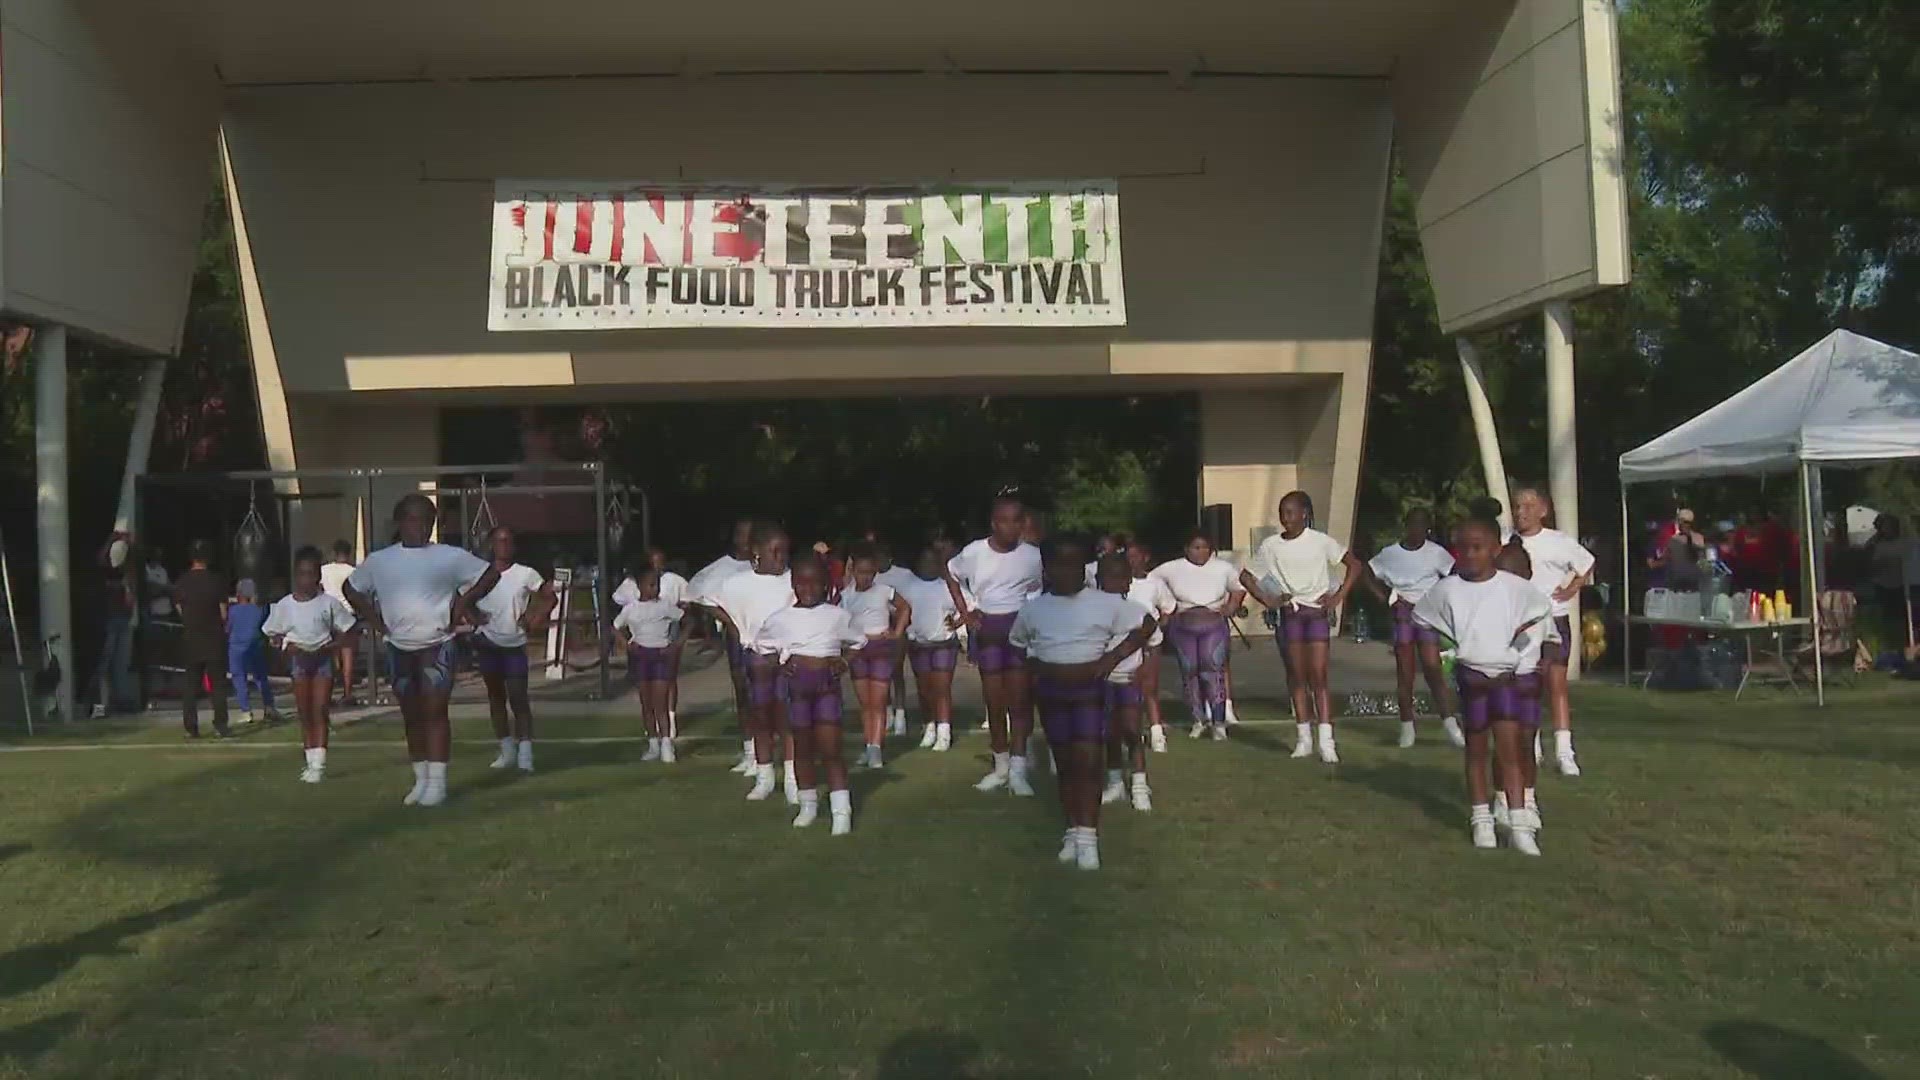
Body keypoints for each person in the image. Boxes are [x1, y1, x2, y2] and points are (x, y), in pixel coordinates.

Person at [342, 494, 500, 807]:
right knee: (411, 715)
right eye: (414, 519)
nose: (421, 526)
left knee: (435, 712)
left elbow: (490, 574)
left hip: (437, 645)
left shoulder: (449, 556)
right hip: (399, 647)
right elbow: (351, 589)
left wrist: (463, 604)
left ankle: (438, 783)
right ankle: (421, 780)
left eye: (428, 520)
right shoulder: (380, 560)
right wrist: (375, 621)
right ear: (400, 523)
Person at [1010, 539, 1155, 871]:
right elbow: (1017, 644)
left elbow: (1146, 624)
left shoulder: (1104, 603)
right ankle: (1073, 831)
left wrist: (1112, 657)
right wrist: (1037, 667)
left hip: (1089, 691)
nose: (1069, 572)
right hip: (1052, 692)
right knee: (1065, 765)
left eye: (1075, 565)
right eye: (1061, 565)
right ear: (1047, 571)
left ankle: (1089, 839)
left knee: (1089, 762)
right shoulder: (1034, 609)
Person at [1412, 518, 1552, 856]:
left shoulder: (1512, 587)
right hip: (1471, 677)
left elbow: (1537, 615)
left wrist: (1517, 656)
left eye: (1478, 548)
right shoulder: (1448, 589)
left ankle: (1518, 822)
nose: (1470, 556)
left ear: (1495, 550)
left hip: (1504, 677)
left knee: (1509, 750)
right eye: (1463, 549)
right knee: (1475, 750)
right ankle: (1480, 819)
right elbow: (1423, 616)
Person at [1239, 491, 1364, 763]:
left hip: (1316, 614)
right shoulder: (1271, 545)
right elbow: (1246, 576)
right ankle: (1303, 738)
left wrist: (1337, 598)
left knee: (1318, 675)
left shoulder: (1320, 541)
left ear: (1305, 513)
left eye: (1291, 512)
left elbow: (1354, 565)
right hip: (1291, 614)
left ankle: (1327, 740)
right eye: (1283, 513)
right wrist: (1269, 600)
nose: (1286, 518)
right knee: (1296, 674)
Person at [757, 556, 868, 834]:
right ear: (793, 584)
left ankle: (841, 810)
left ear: (826, 585)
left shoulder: (837, 615)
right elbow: (763, 648)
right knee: (803, 748)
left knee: (831, 749)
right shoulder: (779, 619)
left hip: (826, 689)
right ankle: (808, 804)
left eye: (815, 582)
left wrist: (843, 662)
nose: (807, 588)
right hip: (797, 690)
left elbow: (859, 642)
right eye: (801, 582)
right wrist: (780, 665)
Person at [945, 495, 1045, 795]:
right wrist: (967, 611)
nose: (1011, 527)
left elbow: (1036, 589)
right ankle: (1000, 766)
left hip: (1018, 629)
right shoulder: (974, 552)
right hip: (987, 629)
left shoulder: (1032, 555)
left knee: (1020, 700)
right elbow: (951, 574)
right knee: (994, 700)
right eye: (1004, 520)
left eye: (1017, 520)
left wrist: (1027, 615)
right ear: (994, 523)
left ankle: (1018, 768)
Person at [1509, 487, 1596, 777]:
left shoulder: (1558, 542)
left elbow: (1587, 564)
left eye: (1528, 506)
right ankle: (1531, 744)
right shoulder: (1508, 543)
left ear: (1542, 510)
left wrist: (1572, 587)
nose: (1522, 512)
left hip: (1554, 620)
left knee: (1556, 683)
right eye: (1518, 506)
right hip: (1522, 624)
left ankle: (1564, 750)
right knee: (1526, 685)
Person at [1363, 507, 1462, 748]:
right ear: (1405, 525)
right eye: (1413, 525)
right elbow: (1366, 572)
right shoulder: (1390, 554)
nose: (1417, 531)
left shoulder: (1436, 553)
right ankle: (1407, 727)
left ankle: (1451, 725)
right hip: (1403, 614)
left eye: (1423, 527)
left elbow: (1455, 575)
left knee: (1432, 668)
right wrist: (1385, 597)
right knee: (1404, 673)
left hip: (1427, 615)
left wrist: (1440, 599)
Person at [713, 522, 797, 802]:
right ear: (757, 552)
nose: (781, 558)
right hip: (757, 659)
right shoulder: (737, 584)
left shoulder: (792, 580)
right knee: (760, 717)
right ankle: (764, 775)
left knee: (787, 720)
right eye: (775, 552)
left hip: (787, 660)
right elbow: (711, 602)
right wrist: (738, 628)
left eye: (785, 552)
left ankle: (792, 776)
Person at [263, 546, 360, 783]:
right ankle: (309, 760)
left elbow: (349, 629)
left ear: (318, 577)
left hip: (322, 660)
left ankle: (319, 764)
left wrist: (333, 646)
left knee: (319, 710)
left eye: (311, 574)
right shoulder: (285, 605)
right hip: (299, 660)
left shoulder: (328, 603)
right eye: (302, 574)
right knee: (305, 712)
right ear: (295, 575)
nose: (307, 579)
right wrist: (285, 644)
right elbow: (272, 635)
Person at [472, 526, 556, 774]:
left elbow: (549, 597)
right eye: (500, 541)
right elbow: (460, 599)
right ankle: (506, 749)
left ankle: (526, 752)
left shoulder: (525, 574)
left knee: (518, 698)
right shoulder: (479, 573)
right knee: (496, 698)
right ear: (491, 544)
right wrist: (474, 617)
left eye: (509, 541)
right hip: (487, 643)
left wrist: (537, 618)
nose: (504, 546)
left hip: (514, 644)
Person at [1149, 530, 1245, 741]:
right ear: (1186, 549)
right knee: (1189, 671)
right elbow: (1149, 582)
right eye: (1195, 547)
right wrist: (1165, 607)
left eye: (1204, 548)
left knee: (1212, 669)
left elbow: (1238, 588)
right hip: (1183, 626)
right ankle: (1198, 720)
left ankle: (1219, 723)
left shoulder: (1223, 568)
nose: (1200, 552)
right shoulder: (1171, 568)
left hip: (1213, 625)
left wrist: (1231, 606)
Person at [687, 518, 759, 774]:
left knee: (763, 694)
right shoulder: (721, 569)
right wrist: (731, 621)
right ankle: (750, 750)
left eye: (751, 535)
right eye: (742, 534)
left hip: (764, 638)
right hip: (738, 638)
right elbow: (698, 596)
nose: (746, 539)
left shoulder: (767, 566)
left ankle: (766, 752)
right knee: (743, 692)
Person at [1097, 553, 1159, 811]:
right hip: (1101, 681)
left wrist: (1147, 672)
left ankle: (1139, 785)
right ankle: (1114, 783)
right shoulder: (1091, 610)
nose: (1114, 581)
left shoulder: (1137, 612)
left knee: (1132, 731)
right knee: (1108, 733)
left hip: (1128, 680)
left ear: (1128, 581)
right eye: (1108, 576)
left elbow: (1155, 644)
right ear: (1098, 580)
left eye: (1120, 576)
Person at [840, 544, 911, 769]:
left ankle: (876, 749)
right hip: (857, 651)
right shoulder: (845, 595)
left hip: (880, 648)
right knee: (866, 704)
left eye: (870, 572)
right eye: (861, 572)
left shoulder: (884, 590)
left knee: (878, 702)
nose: (866, 577)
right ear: (854, 572)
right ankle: (868, 745)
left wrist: (896, 632)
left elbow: (904, 608)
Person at [614, 568, 686, 764]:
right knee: (646, 705)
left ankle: (666, 744)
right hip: (641, 656)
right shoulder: (631, 608)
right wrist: (626, 644)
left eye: (657, 585)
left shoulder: (665, 606)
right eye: (651, 585)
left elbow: (688, 620)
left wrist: (677, 643)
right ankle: (652, 744)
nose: (656, 589)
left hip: (661, 655)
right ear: (640, 587)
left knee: (660, 704)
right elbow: (614, 626)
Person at [900, 544, 962, 751]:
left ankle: (944, 731)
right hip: (919, 645)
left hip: (943, 644)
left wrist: (958, 623)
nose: (928, 565)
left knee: (941, 688)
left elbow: (969, 606)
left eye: (932, 561)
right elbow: (898, 611)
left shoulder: (946, 586)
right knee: (924, 689)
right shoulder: (908, 587)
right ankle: (929, 727)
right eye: (924, 561)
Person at [171, 540, 232, 739]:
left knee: (190, 685)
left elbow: (179, 608)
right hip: (213, 636)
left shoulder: (183, 581)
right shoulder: (216, 580)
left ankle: (191, 727)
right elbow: (223, 613)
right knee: (218, 685)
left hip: (191, 637)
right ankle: (220, 725)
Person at [1122, 541, 1177, 751]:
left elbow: (1168, 608)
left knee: (1149, 687)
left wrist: (1159, 625)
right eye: (1128, 556)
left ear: (1145, 557)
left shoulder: (1155, 583)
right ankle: (1130, 734)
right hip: (1125, 641)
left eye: (1136, 556)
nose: (1132, 560)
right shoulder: (1119, 581)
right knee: (1127, 688)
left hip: (1150, 641)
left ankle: (1156, 733)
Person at [88, 533, 140, 718]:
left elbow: (132, 565)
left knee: (121, 664)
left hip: (123, 618)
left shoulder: (128, 572)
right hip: (110, 619)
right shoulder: (106, 573)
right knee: (104, 663)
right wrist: (111, 539)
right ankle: (97, 703)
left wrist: (130, 546)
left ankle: (121, 700)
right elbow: (101, 560)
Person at [873, 543, 921, 735]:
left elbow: (912, 599)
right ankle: (888, 713)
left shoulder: (904, 574)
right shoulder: (872, 576)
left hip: (899, 622)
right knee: (881, 672)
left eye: (881, 558)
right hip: (880, 623)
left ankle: (900, 714)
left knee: (897, 670)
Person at [226, 578, 275, 726]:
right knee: (261, 677)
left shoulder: (233, 610)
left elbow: (228, 628)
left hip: (237, 647)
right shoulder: (261, 609)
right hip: (256, 645)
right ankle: (269, 707)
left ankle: (246, 711)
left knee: (239, 678)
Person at [320, 541, 360, 707]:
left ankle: (328, 692)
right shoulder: (353, 572)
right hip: (347, 613)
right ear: (349, 554)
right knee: (348, 654)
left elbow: (320, 589)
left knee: (330, 654)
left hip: (329, 612)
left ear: (334, 553)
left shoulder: (324, 570)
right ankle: (347, 692)